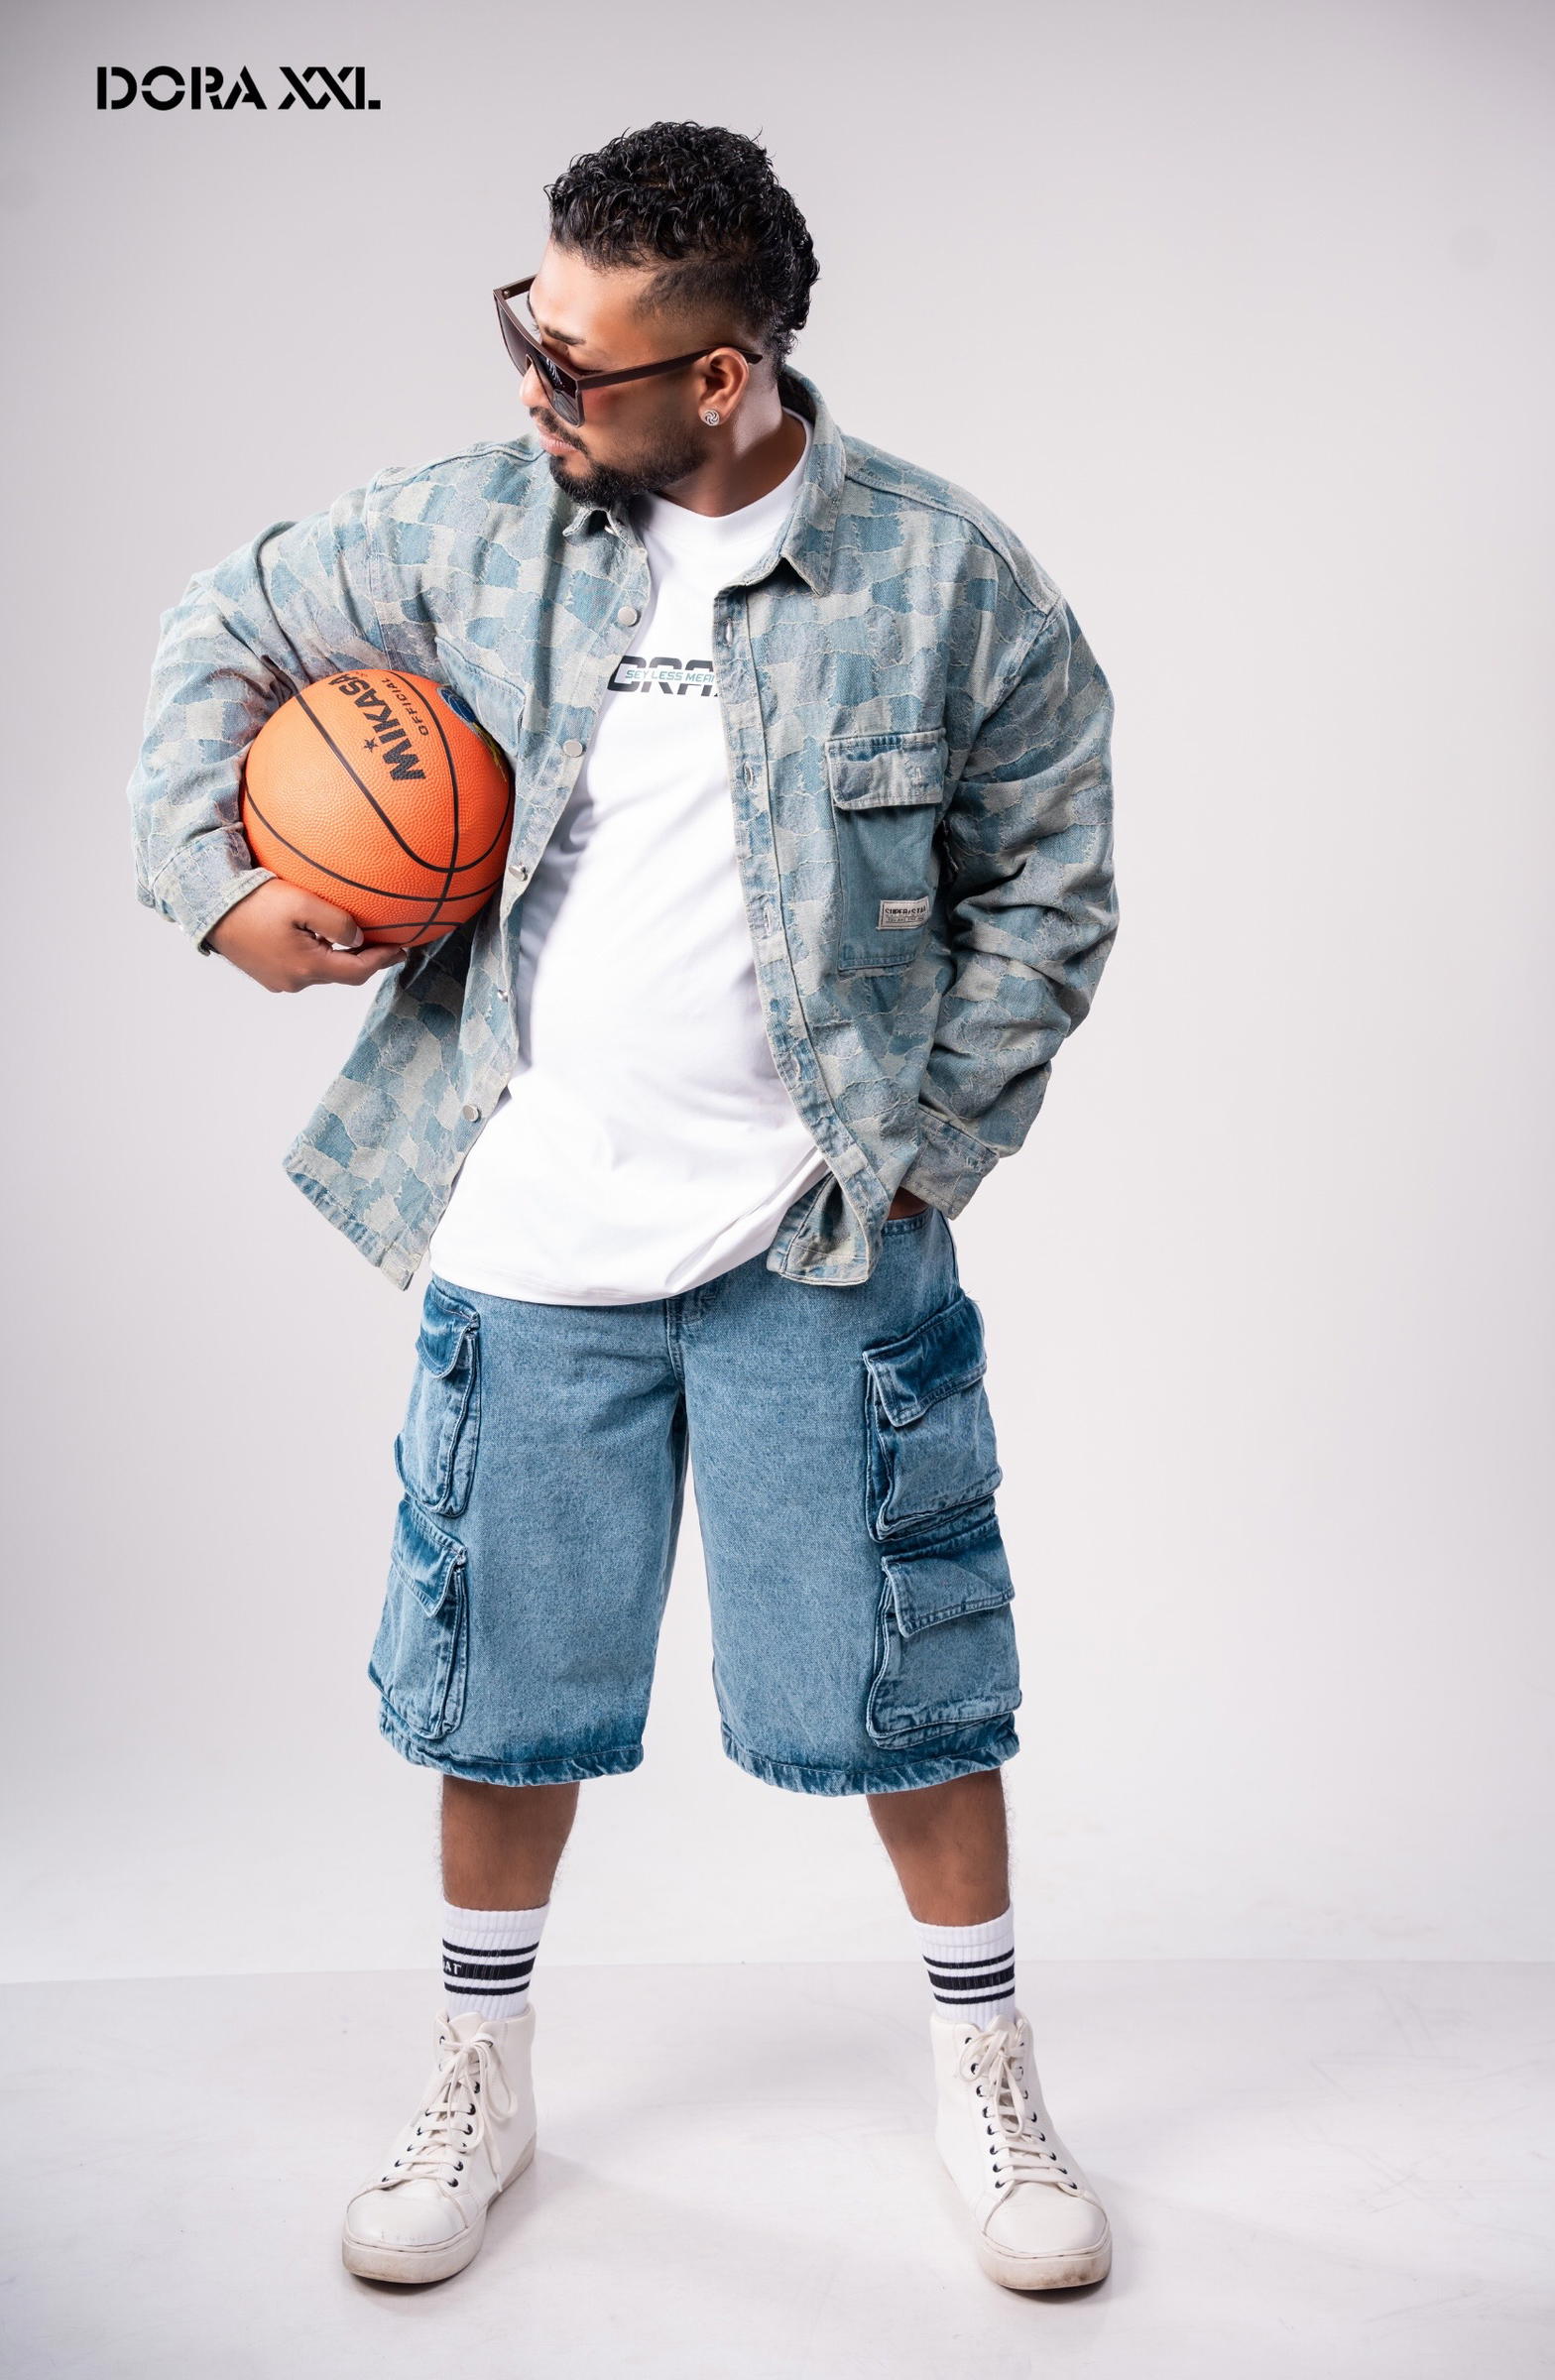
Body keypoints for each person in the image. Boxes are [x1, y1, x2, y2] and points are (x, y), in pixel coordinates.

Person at [126, 120, 1119, 2295]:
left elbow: (1052, 875)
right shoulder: (474, 526)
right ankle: (479, 2077)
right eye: (528, 327)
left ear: (723, 378)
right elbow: (224, 622)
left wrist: (925, 1149)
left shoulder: (942, 578)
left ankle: (987, 2076)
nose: (532, 384)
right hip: (525, 1235)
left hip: (815, 1249)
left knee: (912, 1682)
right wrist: (219, 891)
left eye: (576, 363)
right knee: (500, 1697)